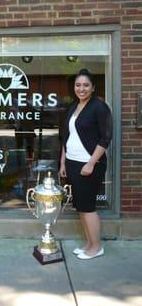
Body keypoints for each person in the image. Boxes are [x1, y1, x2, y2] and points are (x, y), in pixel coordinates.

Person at [59, 68, 112, 260]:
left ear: (93, 87)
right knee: (81, 206)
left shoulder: (99, 107)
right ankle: (89, 243)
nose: (81, 89)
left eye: (86, 85)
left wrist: (91, 163)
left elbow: (105, 138)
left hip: (89, 165)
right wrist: (63, 162)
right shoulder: (74, 106)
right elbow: (67, 136)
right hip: (73, 163)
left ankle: (96, 247)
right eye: (78, 85)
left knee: (88, 207)